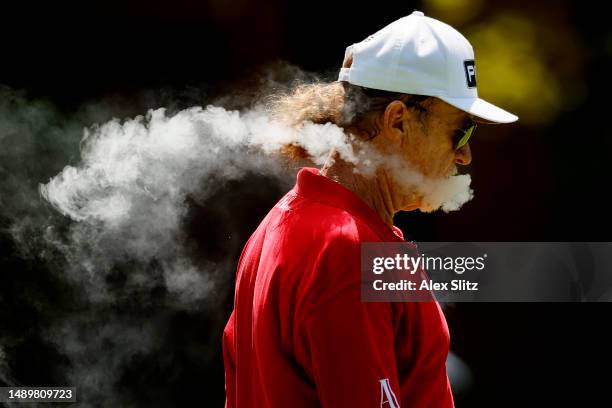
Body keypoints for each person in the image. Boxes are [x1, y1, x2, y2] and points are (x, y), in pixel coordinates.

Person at [223, 11, 518, 408]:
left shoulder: (282, 225)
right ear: (398, 121)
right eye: (460, 131)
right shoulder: (348, 249)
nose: (464, 155)